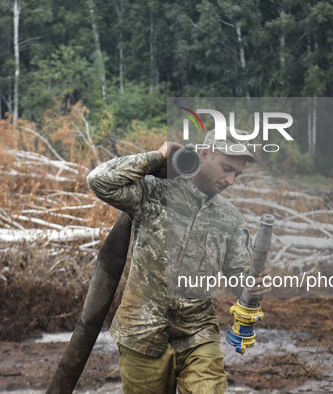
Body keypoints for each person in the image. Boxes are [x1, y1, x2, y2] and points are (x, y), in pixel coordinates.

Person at [87, 129, 271, 393]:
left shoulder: (230, 219)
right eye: (227, 169)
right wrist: (157, 158)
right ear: (205, 154)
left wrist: (255, 283)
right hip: (141, 332)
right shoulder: (154, 192)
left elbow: (239, 280)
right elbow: (99, 180)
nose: (231, 180)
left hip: (197, 333)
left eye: (237, 175)